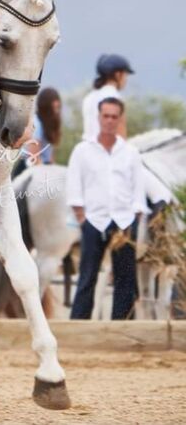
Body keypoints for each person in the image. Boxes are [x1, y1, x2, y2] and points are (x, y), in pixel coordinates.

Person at [67, 97, 147, 319]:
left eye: (114, 116)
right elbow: (74, 188)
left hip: (124, 222)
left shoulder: (130, 153)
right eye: (106, 116)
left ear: (120, 119)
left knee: (125, 279)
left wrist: (134, 220)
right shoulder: (82, 151)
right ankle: (79, 326)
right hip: (93, 220)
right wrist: (82, 218)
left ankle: (122, 326)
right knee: (87, 276)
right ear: (99, 117)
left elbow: (138, 190)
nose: (110, 121)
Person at [81, 54, 134, 141]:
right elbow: (120, 134)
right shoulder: (115, 97)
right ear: (118, 75)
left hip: (87, 150)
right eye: (125, 75)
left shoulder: (89, 98)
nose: (126, 80)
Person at [24, 87, 62, 166]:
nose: (56, 112)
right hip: (31, 168)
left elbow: (50, 156)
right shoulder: (36, 123)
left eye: (58, 108)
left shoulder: (49, 124)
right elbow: (33, 157)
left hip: (44, 167)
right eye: (54, 108)